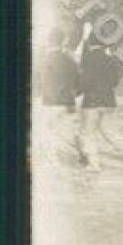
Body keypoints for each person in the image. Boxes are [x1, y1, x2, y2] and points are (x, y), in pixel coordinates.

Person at [78, 38, 123, 172]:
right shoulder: (110, 59)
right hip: (109, 101)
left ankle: (94, 164)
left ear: (90, 45)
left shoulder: (88, 58)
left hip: (92, 101)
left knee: (87, 133)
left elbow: (86, 81)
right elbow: (115, 81)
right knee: (109, 132)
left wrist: (77, 91)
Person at [37, 29, 82, 167]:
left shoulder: (43, 60)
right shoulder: (70, 61)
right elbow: (78, 82)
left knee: (45, 132)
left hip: (50, 102)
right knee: (63, 131)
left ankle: (55, 162)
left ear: (49, 41)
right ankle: (80, 153)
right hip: (67, 102)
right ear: (62, 42)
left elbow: (37, 82)